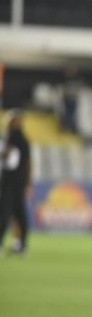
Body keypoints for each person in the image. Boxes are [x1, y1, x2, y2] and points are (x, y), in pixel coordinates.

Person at [0, 109, 31, 256]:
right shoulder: (7, 138)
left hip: (18, 183)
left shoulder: (22, 140)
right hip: (8, 182)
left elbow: (28, 162)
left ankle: (21, 244)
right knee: (5, 213)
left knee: (20, 215)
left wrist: (28, 183)